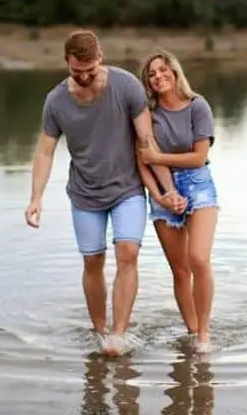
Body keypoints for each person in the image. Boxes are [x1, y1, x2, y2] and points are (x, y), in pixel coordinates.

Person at [25, 30, 188, 357]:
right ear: (66, 62)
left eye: (90, 69)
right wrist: (36, 198)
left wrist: (167, 191)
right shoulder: (55, 101)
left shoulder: (126, 86)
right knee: (92, 261)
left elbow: (147, 143)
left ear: (100, 58)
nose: (84, 77)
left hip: (127, 187)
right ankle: (99, 331)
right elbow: (45, 152)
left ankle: (118, 335)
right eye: (76, 71)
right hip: (84, 193)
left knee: (128, 252)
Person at [135, 49, 219, 353]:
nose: (158, 77)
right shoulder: (147, 117)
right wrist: (160, 196)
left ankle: (204, 335)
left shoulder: (198, 106)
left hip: (198, 185)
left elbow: (199, 157)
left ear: (174, 71)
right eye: (151, 75)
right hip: (161, 191)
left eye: (162, 70)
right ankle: (192, 330)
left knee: (199, 259)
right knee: (180, 270)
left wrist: (159, 157)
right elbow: (141, 162)